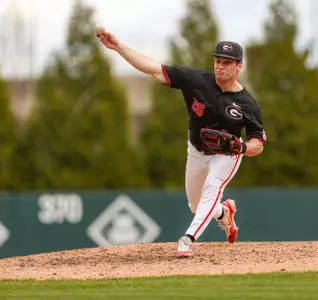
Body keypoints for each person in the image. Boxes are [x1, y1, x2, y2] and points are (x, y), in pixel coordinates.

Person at [96, 28, 266, 257]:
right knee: (197, 206)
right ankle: (223, 212)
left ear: (239, 66)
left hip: (226, 154)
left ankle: (187, 238)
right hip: (196, 149)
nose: (220, 66)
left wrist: (242, 147)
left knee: (212, 187)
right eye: (218, 61)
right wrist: (118, 47)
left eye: (227, 62)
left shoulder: (248, 104)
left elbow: (258, 144)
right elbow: (152, 68)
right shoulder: (195, 80)